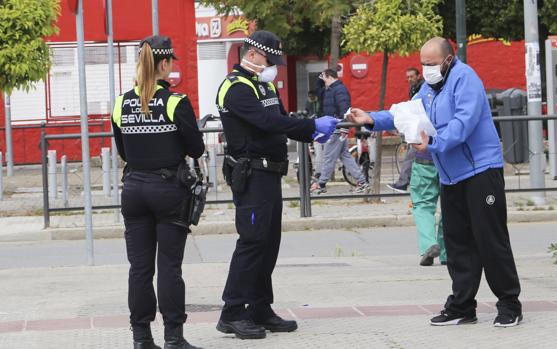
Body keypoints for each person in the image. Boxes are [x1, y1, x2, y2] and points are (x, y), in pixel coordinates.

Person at [347, 37, 523, 328]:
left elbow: (463, 124)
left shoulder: (466, 80)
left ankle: (509, 304)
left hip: (480, 170)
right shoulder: (429, 88)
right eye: (423, 64)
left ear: (448, 60)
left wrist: (434, 142)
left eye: (430, 64)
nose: (426, 69)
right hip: (451, 174)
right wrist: (371, 118)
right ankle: (462, 306)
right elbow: (404, 114)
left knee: (490, 238)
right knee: (456, 243)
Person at [214, 30, 337, 340]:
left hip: (270, 175)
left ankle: (259, 307)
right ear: (253, 54)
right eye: (270, 59)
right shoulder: (235, 88)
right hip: (252, 175)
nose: (274, 66)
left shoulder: (263, 84)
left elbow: (281, 119)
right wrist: (311, 126)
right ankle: (232, 312)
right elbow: (267, 123)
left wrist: (311, 132)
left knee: (268, 243)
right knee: (252, 241)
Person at [112, 35, 204, 349]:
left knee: (139, 268)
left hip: (134, 189)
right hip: (168, 191)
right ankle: (174, 339)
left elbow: (123, 150)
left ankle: (141, 339)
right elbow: (196, 148)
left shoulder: (120, 103)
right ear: (164, 64)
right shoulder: (177, 102)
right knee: (169, 266)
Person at [311, 69, 369, 194]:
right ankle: (362, 182)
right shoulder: (330, 90)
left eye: (323, 77)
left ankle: (321, 184)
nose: (322, 80)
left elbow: (345, 109)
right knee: (345, 156)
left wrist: (344, 127)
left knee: (328, 156)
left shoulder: (339, 90)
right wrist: (319, 80)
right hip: (334, 127)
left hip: (336, 128)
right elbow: (318, 92)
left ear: (329, 76)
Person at [387, 67, 424, 193]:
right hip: (419, 128)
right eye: (407, 77)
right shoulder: (413, 88)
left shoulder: (423, 87)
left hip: (423, 130)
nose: (409, 79)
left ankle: (403, 183)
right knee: (415, 158)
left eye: (411, 76)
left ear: (418, 76)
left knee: (411, 156)